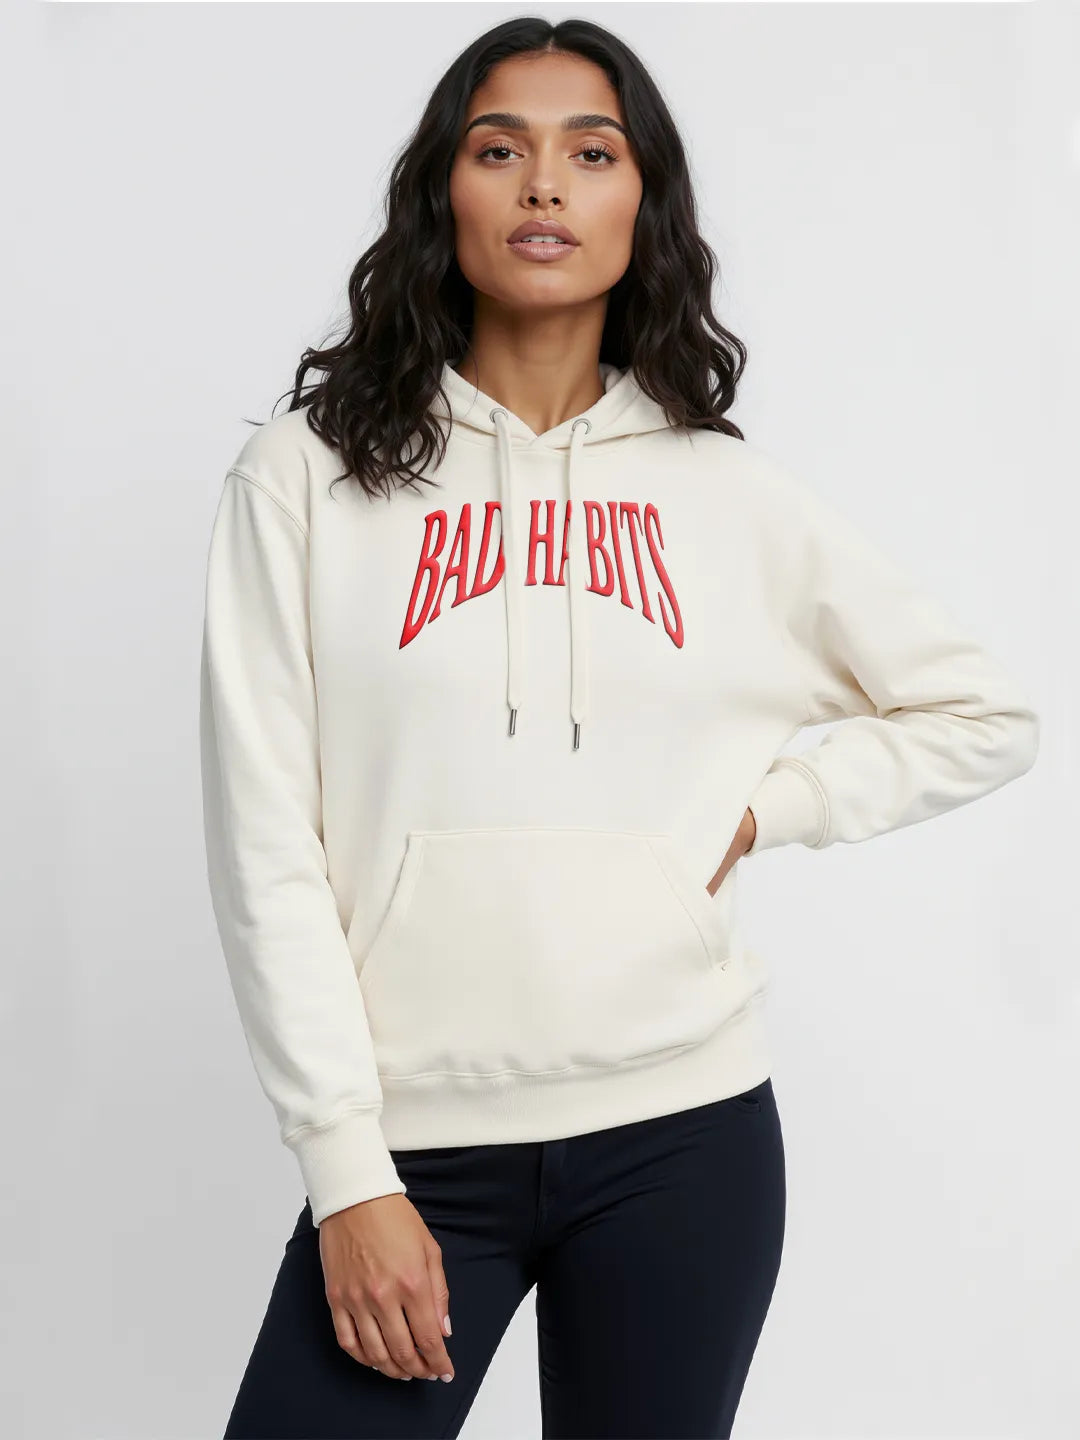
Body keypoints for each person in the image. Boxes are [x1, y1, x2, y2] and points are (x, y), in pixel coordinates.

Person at [198, 16, 1040, 1440]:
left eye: (592, 153)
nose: (544, 184)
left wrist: (773, 808)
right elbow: (265, 843)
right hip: (414, 1148)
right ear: (442, 191)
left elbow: (985, 711)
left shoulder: (727, 495)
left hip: (686, 1140)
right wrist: (347, 1174)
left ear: (642, 201)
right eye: (499, 149)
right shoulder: (308, 478)